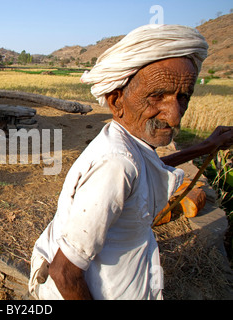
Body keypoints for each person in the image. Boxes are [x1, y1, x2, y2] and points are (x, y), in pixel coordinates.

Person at [28, 24, 233, 300]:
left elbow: (146, 170)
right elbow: (64, 273)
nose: (174, 116)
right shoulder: (116, 164)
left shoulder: (126, 143)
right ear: (116, 101)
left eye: (182, 97)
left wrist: (207, 146)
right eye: (157, 95)